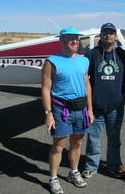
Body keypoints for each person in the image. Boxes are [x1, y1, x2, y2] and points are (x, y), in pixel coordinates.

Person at [41, 27, 94, 194]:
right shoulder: (51, 61)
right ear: (61, 41)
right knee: (58, 145)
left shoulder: (84, 60)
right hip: (61, 109)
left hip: (81, 109)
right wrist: (48, 114)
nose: (75, 41)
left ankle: (73, 172)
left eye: (77, 38)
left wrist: (90, 109)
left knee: (77, 142)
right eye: (71, 38)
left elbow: (87, 85)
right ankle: (53, 178)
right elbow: (45, 89)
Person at [82, 23, 125, 179]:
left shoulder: (123, 55)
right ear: (101, 35)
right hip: (95, 106)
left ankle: (114, 166)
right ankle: (91, 166)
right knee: (93, 139)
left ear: (115, 36)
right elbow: (84, 78)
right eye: (105, 32)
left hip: (115, 106)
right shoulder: (92, 54)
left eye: (111, 32)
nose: (108, 35)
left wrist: (124, 93)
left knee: (114, 139)